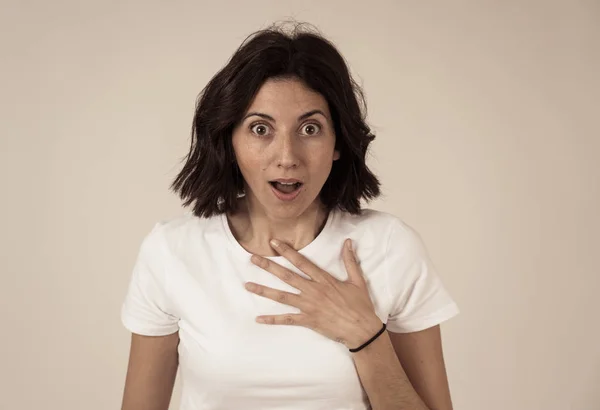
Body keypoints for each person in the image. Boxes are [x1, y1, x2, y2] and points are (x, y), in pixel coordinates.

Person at [120, 23, 459, 410]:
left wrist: (365, 335)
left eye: (310, 128)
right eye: (261, 129)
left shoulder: (391, 248)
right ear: (229, 140)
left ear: (338, 144)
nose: (287, 156)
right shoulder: (171, 252)